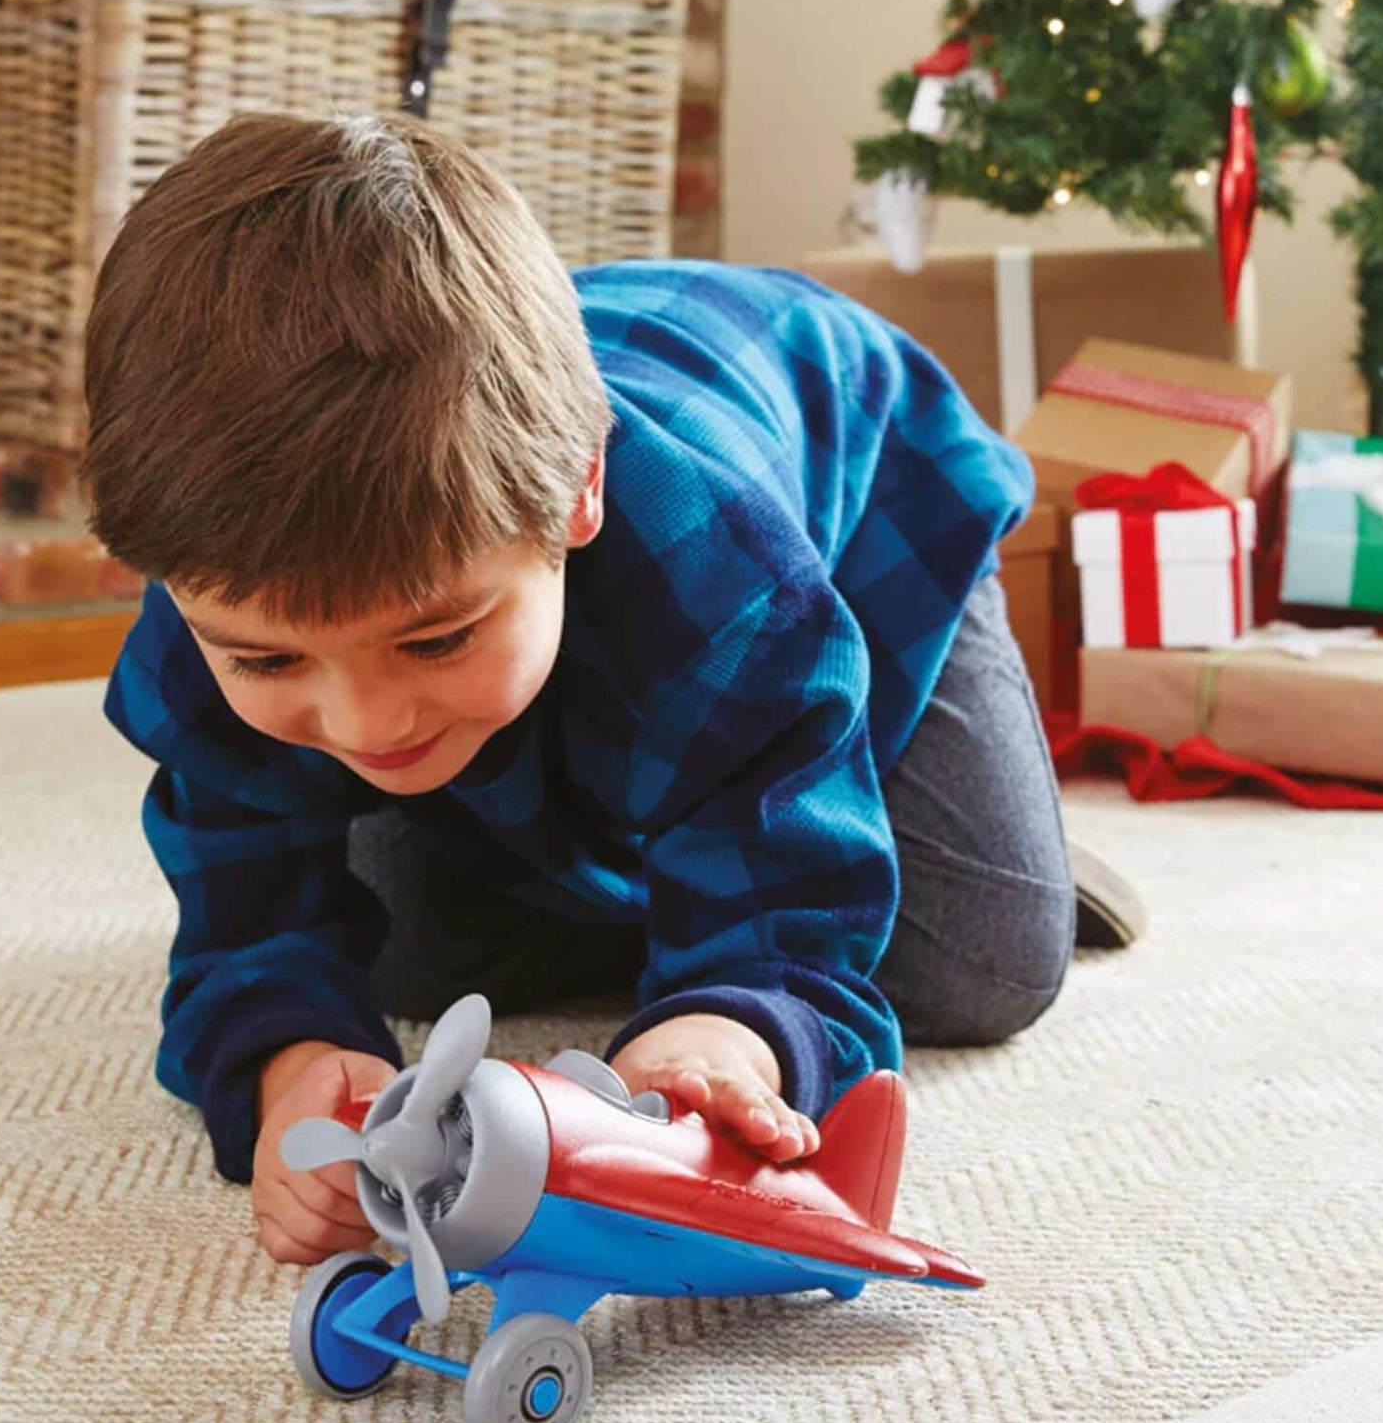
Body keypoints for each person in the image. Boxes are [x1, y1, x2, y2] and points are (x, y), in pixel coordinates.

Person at [89, 111, 1077, 1269]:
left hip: (868, 510)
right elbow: (244, 926)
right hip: (594, 642)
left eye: (435, 636)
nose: (365, 721)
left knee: (982, 959)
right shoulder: (221, 587)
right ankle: (630, 836)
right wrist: (290, 1064)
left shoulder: (724, 585)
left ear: (576, 494)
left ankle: (845, 788)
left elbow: (789, 928)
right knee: (405, 961)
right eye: (266, 661)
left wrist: (721, 1030)